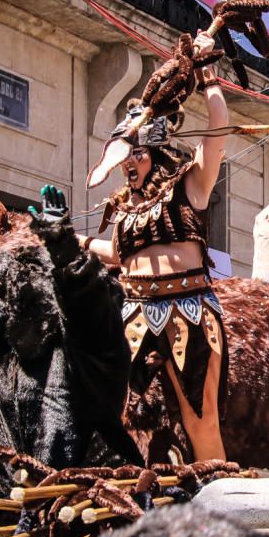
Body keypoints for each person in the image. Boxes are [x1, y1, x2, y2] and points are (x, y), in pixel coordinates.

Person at [78, 31, 229, 463]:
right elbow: (118, 256)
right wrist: (70, 239)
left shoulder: (189, 186)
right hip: (134, 315)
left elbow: (218, 132)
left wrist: (207, 74)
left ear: (156, 152)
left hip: (188, 312)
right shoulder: (124, 209)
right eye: (125, 156)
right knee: (126, 416)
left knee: (200, 418)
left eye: (137, 155)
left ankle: (217, 498)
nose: (129, 163)